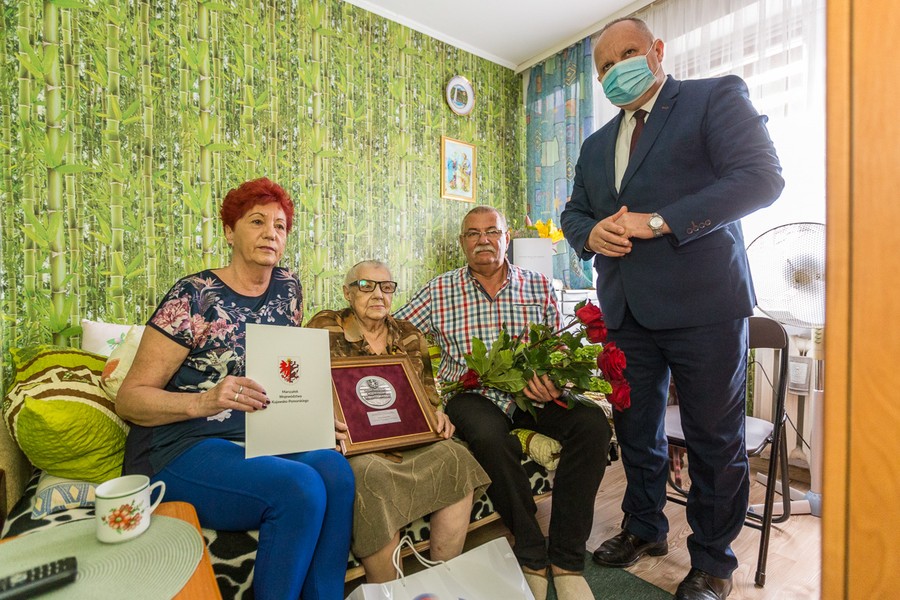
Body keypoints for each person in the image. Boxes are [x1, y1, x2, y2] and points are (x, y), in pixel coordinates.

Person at [559, 17, 784, 600]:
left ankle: (713, 561)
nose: (615, 71)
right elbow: (573, 214)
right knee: (637, 431)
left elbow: (761, 178)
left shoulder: (714, 98)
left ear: (657, 51)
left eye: (626, 55)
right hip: (627, 311)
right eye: (604, 68)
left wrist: (660, 222)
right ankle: (644, 527)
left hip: (704, 306)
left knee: (714, 440)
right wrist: (589, 236)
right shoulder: (594, 145)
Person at [117, 178, 355, 600]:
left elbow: (285, 372)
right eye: (257, 221)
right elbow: (130, 398)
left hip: (254, 434)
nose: (271, 233)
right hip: (179, 446)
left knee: (335, 472)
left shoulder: (288, 288)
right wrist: (204, 401)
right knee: (299, 487)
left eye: (281, 226)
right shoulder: (195, 296)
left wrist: (313, 419)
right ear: (230, 231)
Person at [395, 206, 612, 600]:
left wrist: (554, 379)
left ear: (506, 238)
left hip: (531, 394)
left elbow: (558, 345)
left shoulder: (539, 286)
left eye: (492, 231)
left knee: (593, 423)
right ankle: (530, 552)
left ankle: (566, 560)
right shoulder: (438, 290)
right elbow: (395, 334)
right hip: (470, 395)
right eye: (473, 233)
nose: (483, 240)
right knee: (488, 435)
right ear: (462, 243)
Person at [306, 260, 490, 583]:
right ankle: (390, 590)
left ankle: (441, 581)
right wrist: (320, 420)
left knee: (457, 456)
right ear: (348, 293)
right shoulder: (324, 327)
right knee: (372, 476)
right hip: (357, 448)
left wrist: (438, 415)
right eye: (366, 286)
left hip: (410, 440)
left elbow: (429, 394)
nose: (378, 294)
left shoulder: (409, 333)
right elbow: (301, 387)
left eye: (386, 287)